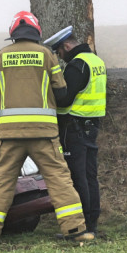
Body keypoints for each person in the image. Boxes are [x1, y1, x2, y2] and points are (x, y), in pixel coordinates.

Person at [0, 11, 94, 245]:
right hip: (43, 133)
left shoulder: (1, 56)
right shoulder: (45, 55)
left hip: (9, 135)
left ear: (13, 33)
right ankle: (75, 230)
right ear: (36, 32)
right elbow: (62, 93)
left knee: (1, 181)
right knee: (59, 179)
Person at [43, 26, 106, 234]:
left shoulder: (76, 66)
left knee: (77, 178)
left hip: (74, 127)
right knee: (89, 176)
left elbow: (65, 98)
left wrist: (48, 97)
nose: (61, 57)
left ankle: (81, 225)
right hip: (91, 125)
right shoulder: (96, 61)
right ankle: (92, 223)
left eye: (59, 52)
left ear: (67, 45)